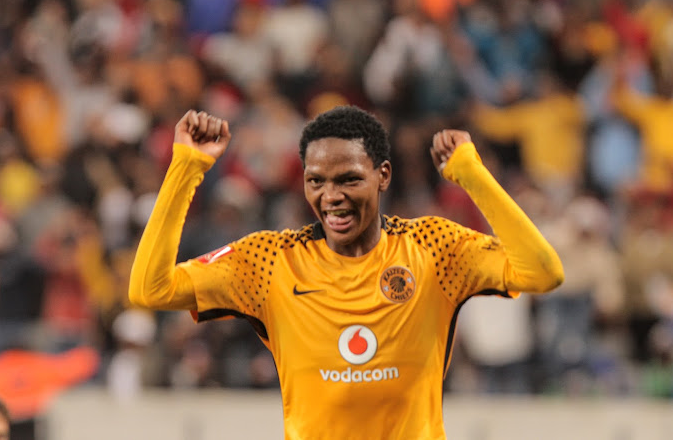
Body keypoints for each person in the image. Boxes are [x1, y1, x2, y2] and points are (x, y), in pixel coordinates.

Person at [129, 105, 564, 439]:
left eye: (349, 179)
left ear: (383, 176)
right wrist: (186, 167)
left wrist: (472, 176)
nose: (330, 196)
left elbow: (542, 273)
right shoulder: (269, 261)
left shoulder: (432, 248)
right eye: (316, 181)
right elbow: (151, 290)